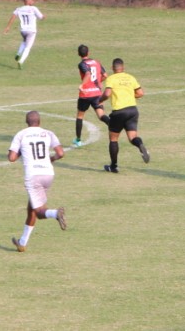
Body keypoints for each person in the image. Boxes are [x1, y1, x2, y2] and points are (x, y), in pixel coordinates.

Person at [7, 111, 67, 252]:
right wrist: (50, 159)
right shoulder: (48, 133)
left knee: (39, 212)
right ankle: (22, 243)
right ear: (39, 121)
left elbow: (11, 157)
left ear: (27, 122)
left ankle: (55, 213)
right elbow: (60, 153)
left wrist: (21, 151)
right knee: (31, 210)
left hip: (33, 176)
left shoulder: (21, 134)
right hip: (48, 174)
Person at [98, 58, 150, 172]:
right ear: (123, 68)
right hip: (132, 110)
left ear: (112, 68)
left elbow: (107, 93)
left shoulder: (111, 78)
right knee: (132, 138)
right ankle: (140, 145)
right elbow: (140, 93)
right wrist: (130, 95)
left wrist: (100, 100)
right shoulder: (130, 77)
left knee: (113, 139)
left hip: (119, 112)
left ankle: (114, 166)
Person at [74, 44, 110, 147]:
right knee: (101, 115)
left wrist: (82, 85)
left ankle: (78, 140)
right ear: (88, 52)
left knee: (80, 116)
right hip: (97, 93)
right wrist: (98, 82)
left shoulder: (82, 64)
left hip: (85, 94)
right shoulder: (97, 62)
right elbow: (105, 75)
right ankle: (113, 126)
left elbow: (88, 74)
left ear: (78, 54)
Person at [3, 0, 44, 69]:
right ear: (28, 2)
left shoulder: (19, 9)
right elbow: (41, 17)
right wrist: (44, 17)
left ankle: (18, 53)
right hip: (31, 31)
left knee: (24, 41)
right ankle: (21, 61)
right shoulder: (34, 8)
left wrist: (8, 27)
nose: (33, 1)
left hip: (23, 30)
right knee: (28, 47)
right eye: (32, 0)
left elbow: (13, 17)